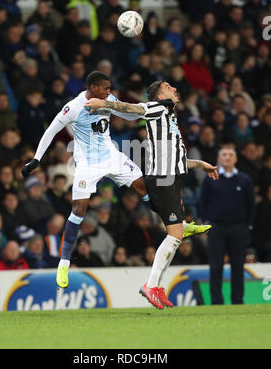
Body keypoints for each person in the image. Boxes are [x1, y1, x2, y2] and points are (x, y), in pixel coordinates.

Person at [85, 80, 218, 309]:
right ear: (158, 95)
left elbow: (177, 160)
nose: (175, 88)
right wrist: (103, 102)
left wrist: (201, 164)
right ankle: (151, 285)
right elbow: (134, 108)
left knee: (175, 236)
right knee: (175, 235)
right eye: (168, 87)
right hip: (162, 181)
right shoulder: (156, 108)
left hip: (172, 179)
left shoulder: (169, 118)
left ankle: (157, 285)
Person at [21, 71, 148, 289]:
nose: (109, 92)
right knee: (79, 209)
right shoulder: (74, 107)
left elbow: (128, 115)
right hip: (87, 164)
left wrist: (147, 111)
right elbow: (51, 131)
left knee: (144, 188)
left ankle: (176, 223)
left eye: (110, 88)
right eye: (105, 88)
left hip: (112, 157)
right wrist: (36, 159)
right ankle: (64, 263)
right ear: (93, 88)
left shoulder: (108, 100)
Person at [200, 148, 255, 304]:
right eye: (224, 154)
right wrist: (206, 222)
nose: (227, 157)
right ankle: (216, 301)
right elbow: (203, 202)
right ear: (218, 158)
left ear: (235, 159)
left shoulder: (245, 180)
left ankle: (238, 300)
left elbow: (251, 205)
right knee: (215, 266)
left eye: (231, 155)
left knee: (238, 266)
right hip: (216, 228)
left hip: (238, 229)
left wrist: (248, 226)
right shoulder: (210, 178)